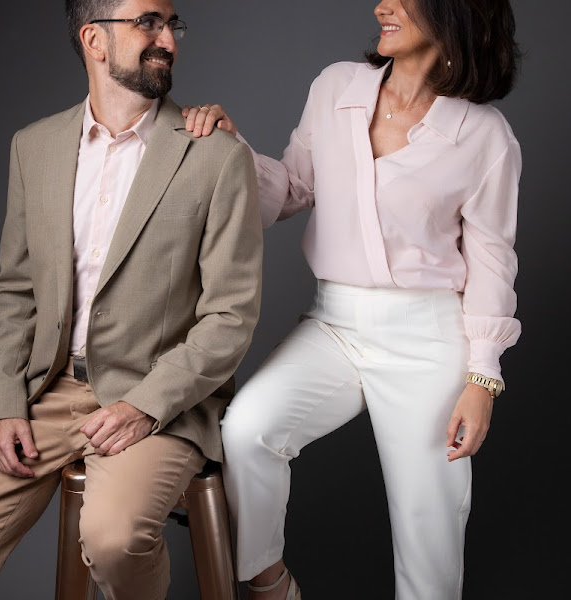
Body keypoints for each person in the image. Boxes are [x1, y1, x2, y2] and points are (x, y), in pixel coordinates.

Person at [0, 1, 263, 598]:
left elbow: (230, 315)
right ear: (94, 39)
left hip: (161, 400)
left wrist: (146, 404)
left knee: (113, 540)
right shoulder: (35, 147)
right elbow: (15, 288)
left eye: (172, 25)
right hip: (47, 396)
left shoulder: (216, 155)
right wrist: (6, 399)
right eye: (148, 22)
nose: (168, 39)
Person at [182, 0, 521, 598]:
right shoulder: (336, 87)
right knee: (248, 430)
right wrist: (232, 152)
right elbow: (291, 189)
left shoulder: (484, 136)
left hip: (428, 338)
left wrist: (482, 379)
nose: (381, 6)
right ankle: (269, 584)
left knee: (428, 520)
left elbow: (493, 262)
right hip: (333, 324)